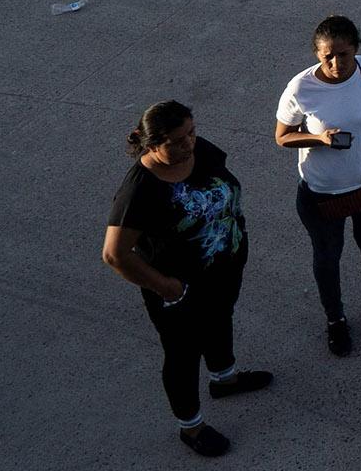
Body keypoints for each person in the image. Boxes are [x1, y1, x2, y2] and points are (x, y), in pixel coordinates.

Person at [103, 101, 269, 459]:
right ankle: (191, 427)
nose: (189, 143)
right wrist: (164, 286)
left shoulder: (198, 149)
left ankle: (225, 379)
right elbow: (114, 254)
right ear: (150, 144)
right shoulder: (141, 188)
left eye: (191, 132)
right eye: (177, 140)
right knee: (182, 353)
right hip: (179, 291)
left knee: (221, 318)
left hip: (224, 266)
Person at [276, 15, 361, 357]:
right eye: (327, 56)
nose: (336, 63)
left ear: (356, 49)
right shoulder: (301, 88)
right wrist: (318, 138)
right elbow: (282, 137)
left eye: (344, 54)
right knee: (327, 258)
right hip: (323, 195)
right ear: (316, 54)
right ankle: (335, 320)